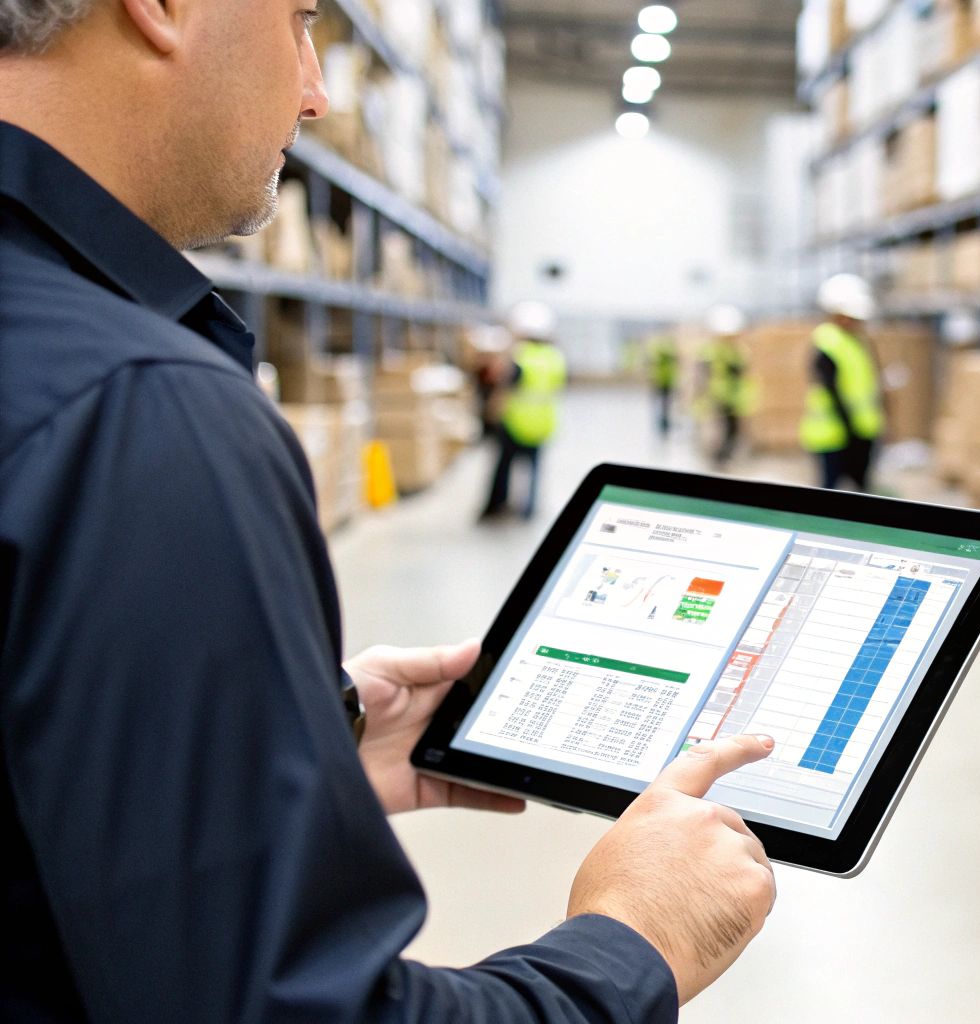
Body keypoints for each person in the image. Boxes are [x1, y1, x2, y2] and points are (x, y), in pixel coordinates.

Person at [0, 3, 776, 1019]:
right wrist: (635, 938)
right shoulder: (138, 411)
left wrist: (285, 740)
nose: (316, 92)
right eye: (296, 22)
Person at [480, 300, 567, 521]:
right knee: (534, 468)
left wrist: (491, 413)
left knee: (504, 466)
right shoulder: (555, 356)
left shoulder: (519, 355)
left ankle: (496, 507)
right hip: (543, 422)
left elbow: (504, 387)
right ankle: (528, 510)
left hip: (515, 422)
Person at [801, 273, 884, 491]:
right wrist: (851, 430)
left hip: (861, 429)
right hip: (834, 433)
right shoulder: (827, 343)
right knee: (831, 492)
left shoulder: (856, 342)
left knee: (861, 491)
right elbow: (831, 389)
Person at [701, 304, 752, 470]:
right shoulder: (711, 352)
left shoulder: (738, 351)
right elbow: (704, 376)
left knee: (732, 430)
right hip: (719, 397)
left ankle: (725, 456)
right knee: (719, 431)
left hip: (734, 398)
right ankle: (718, 458)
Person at [646, 333, 680, 438]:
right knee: (662, 404)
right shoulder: (666, 353)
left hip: (664, 381)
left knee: (663, 404)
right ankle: (661, 422)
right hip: (662, 381)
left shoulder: (660, 353)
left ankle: (663, 422)